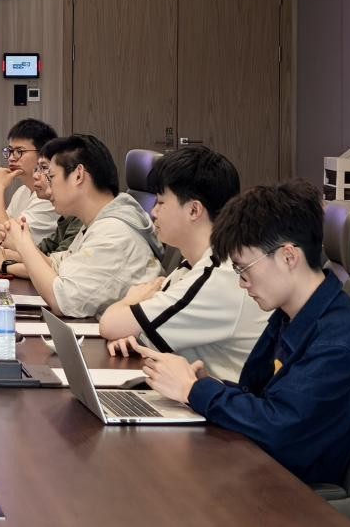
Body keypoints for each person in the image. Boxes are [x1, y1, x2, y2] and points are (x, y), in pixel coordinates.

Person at [137, 180, 350, 487]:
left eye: (244, 269)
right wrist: (203, 384)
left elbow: (279, 426)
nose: (242, 283)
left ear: (288, 256)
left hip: (289, 491)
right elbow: (260, 395)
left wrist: (193, 391)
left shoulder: (338, 343)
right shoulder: (291, 315)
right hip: (260, 464)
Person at [99, 145, 269, 382]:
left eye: (161, 202)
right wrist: (127, 333)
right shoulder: (194, 264)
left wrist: (129, 301)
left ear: (194, 210)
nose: (153, 212)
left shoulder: (219, 273)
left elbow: (110, 324)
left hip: (222, 401)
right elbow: (133, 332)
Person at [6, 134, 161, 318]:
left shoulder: (114, 233)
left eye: (52, 177)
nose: (48, 188)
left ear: (78, 175)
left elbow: (62, 302)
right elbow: (58, 264)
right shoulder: (98, 222)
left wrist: (23, 244)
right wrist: (20, 243)